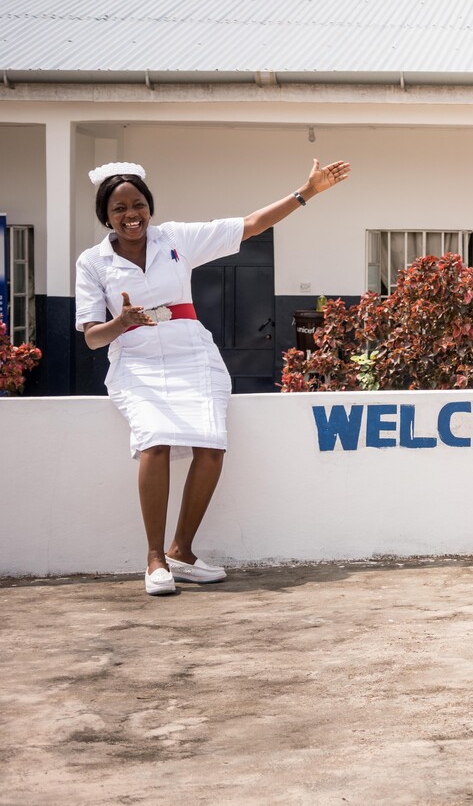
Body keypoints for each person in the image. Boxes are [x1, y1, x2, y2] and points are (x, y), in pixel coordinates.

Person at [76, 157, 352, 594]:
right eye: (119, 209)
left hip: (192, 353)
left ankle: (182, 552)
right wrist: (122, 322)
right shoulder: (93, 263)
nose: (131, 215)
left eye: (138, 205)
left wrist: (308, 191)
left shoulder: (176, 239)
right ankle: (154, 561)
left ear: (149, 206)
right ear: (105, 217)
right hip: (138, 360)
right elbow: (92, 337)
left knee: (212, 447)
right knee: (155, 441)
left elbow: (251, 224)